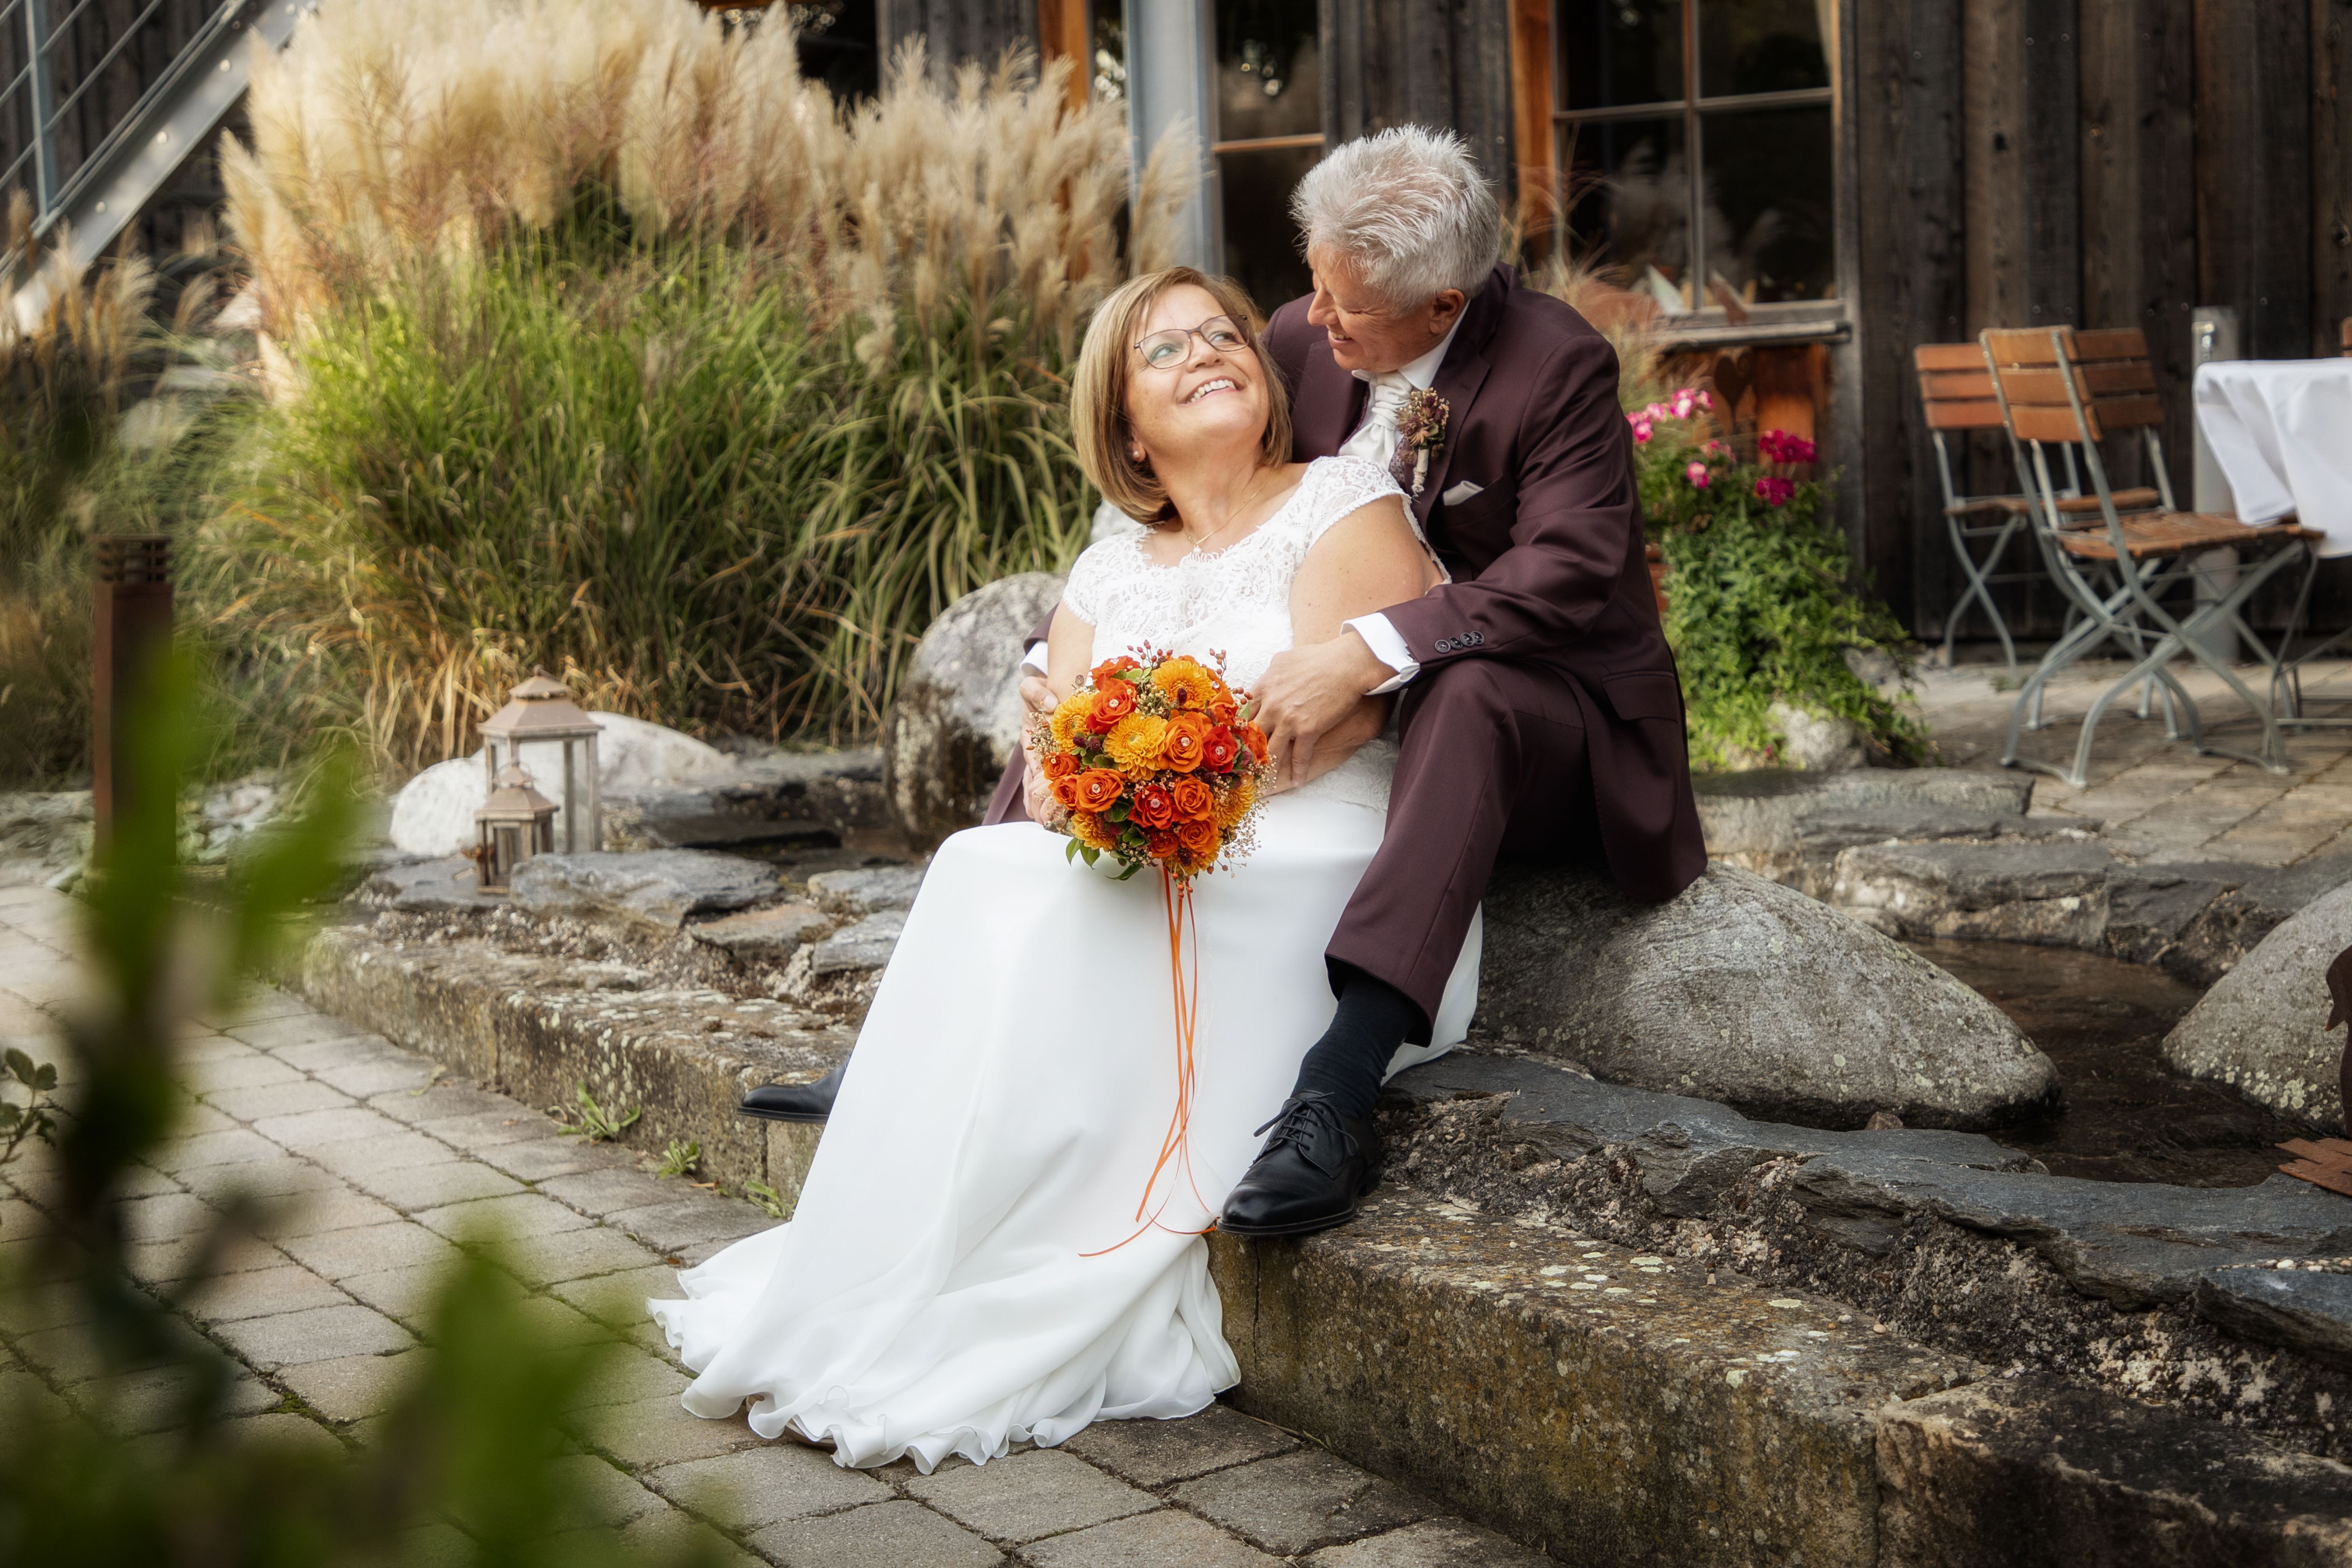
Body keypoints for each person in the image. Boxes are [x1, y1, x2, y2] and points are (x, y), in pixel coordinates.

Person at [747, 126, 1706, 1241]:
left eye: (1347, 309)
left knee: (1466, 688)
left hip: (1554, 714)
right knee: (1082, 722)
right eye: (1310, 287)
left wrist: (1369, 646)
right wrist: (1060, 675)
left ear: (1445, 306)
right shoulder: (1309, 329)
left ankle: (1341, 1087)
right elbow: (1197, 514)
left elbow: (1571, 573)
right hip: (1377, 686)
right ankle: (904, 1050)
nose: (1308, 323)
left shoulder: (1558, 362)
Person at [651, 265, 1481, 1471]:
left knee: (1034, 887)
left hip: (1323, 850)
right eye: (1165, 351)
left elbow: (1337, 727)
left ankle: (1046, 1232)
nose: (1209, 353)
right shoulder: (1106, 573)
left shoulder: (1340, 504)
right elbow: (1057, 763)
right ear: (1126, 433)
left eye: (1225, 335)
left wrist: (1155, 792)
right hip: (1171, 845)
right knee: (985, 865)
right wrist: (1075, 780)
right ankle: (932, 1236)